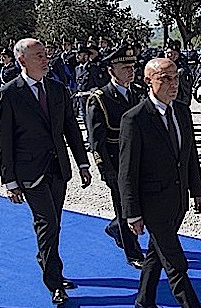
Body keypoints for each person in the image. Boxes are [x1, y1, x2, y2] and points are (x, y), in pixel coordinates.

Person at [0, 38, 92, 305]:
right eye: (38, 55)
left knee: (53, 224)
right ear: (22, 60)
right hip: (29, 173)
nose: (45, 58)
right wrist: (9, 180)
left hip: (57, 168)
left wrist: (83, 163)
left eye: (45, 54)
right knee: (47, 223)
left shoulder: (58, 89)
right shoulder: (8, 94)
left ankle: (46, 259)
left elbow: (71, 128)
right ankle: (55, 281)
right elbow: (2, 141)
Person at [119, 58, 201, 308]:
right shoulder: (134, 119)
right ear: (148, 81)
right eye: (165, 78)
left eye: (175, 78)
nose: (173, 84)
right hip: (152, 204)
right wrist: (132, 213)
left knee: (156, 255)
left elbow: (189, 155)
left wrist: (197, 190)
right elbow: (127, 171)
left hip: (177, 201)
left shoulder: (182, 111)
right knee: (176, 264)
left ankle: (143, 302)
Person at [86, 45, 147, 269]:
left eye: (132, 66)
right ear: (111, 70)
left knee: (140, 202)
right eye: (124, 67)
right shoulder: (100, 98)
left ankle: (115, 228)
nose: (130, 71)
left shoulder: (137, 92)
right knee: (125, 207)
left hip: (138, 160)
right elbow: (97, 140)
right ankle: (133, 253)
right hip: (116, 162)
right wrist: (105, 169)